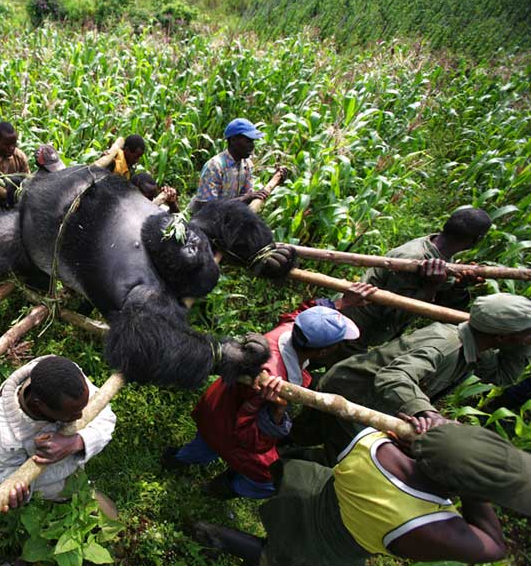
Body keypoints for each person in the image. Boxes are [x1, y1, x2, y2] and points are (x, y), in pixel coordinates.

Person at [192, 420, 529, 566]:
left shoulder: (373, 441)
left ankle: (216, 488)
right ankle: (216, 535)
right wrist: (476, 493)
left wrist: (439, 443)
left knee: (280, 517)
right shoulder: (427, 526)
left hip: (305, 492)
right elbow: (494, 547)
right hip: (326, 547)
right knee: (284, 565)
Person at [163, 288, 373, 499]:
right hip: (228, 427)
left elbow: (299, 314)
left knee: (204, 443)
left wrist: (341, 304)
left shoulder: (287, 331)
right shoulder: (275, 381)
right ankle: (220, 488)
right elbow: (248, 438)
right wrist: (277, 412)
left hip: (216, 403)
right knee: (271, 480)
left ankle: (179, 459)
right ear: (324, 351)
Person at [311, 293, 531, 457]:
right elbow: (393, 377)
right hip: (349, 392)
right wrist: (428, 413)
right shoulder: (446, 346)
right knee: (336, 453)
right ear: (501, 338)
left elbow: (503, 376)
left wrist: (523, 344)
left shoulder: (480, 347)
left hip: (370, 398)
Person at [329, 208, 492, 364]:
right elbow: (397, 311)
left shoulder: (437, 251)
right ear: (475, 241)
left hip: (359, 327)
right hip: (351, 326)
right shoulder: (414, 259)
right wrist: (432, 286)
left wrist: (459, 285)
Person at [0, 355, 117, 506]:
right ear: (39, 405)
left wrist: (76, 442)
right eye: (73, 413)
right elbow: (8, 473)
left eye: (82, 408)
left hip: (78, 477)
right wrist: (20, 492)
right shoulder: (4, 434)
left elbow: (105, 416)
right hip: (47, 496)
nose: (81, 415)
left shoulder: (67, 377)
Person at [190, 118, 268, 212]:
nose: (252, 146)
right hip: (206, 222)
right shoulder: (215, 166)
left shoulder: (246, 165)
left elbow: (246, 197)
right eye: (248, 141)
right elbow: (207, 208)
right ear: (233, 140)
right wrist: (247, 198)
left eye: (252, 141)